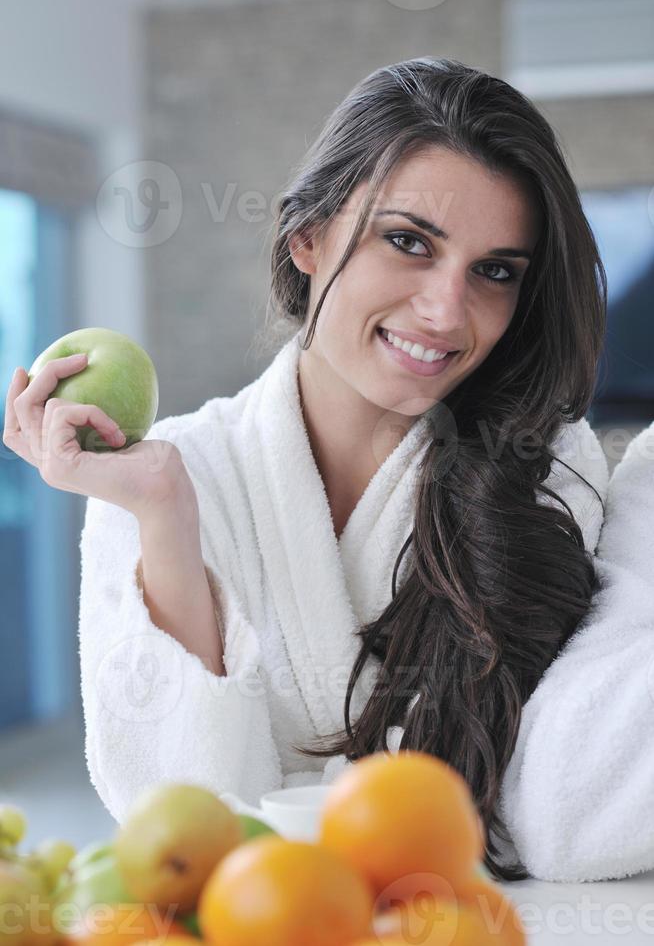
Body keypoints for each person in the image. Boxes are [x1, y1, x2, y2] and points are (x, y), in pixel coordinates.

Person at [4, 57, 650, 884]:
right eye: (408, 241)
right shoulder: (169, 474)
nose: (447, 311)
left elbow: (533, 804)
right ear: (306, 237)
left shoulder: (543, 469)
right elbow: (179, 829)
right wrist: (165, 517)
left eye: (495, 271)